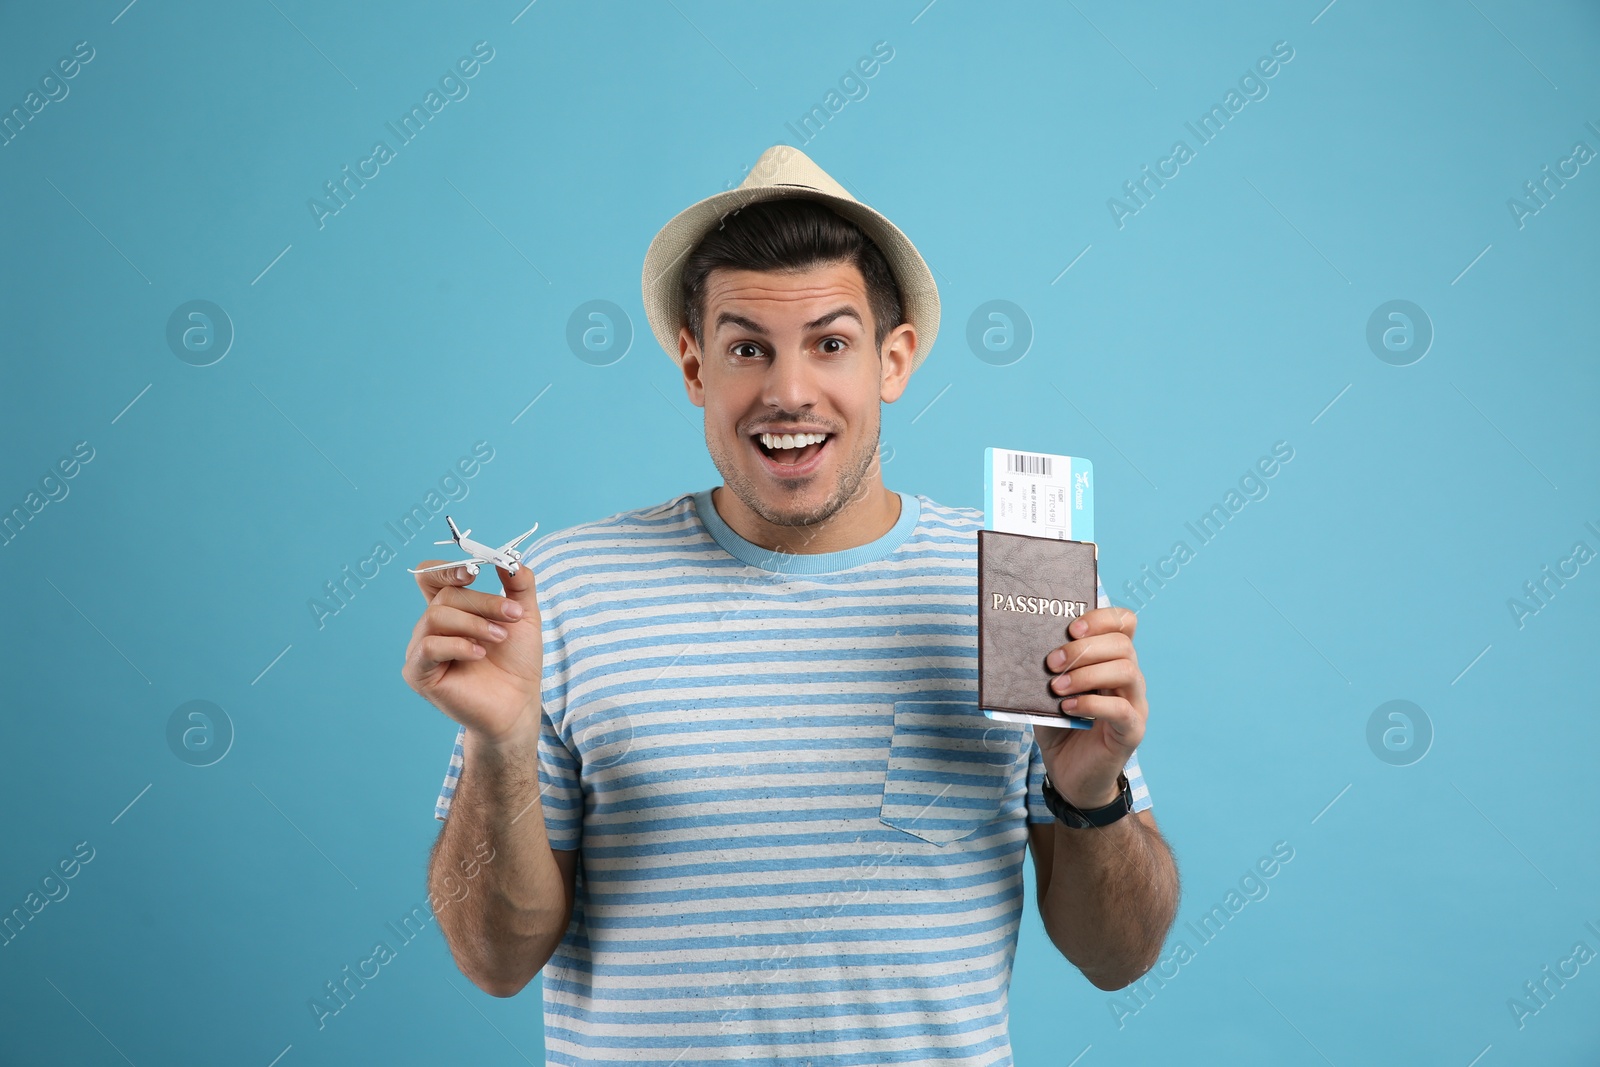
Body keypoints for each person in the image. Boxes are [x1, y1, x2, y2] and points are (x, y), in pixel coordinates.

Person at [404, 145, 1179, 1064]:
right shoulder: (563, 595)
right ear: (694, 368)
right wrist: (500, 747)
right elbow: (493, 961)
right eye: (746, 349)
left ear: (894, 360)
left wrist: (1088, 794)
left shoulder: (1018, 585)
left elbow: (1117, 958)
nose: (788, 391)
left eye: (831, 343)